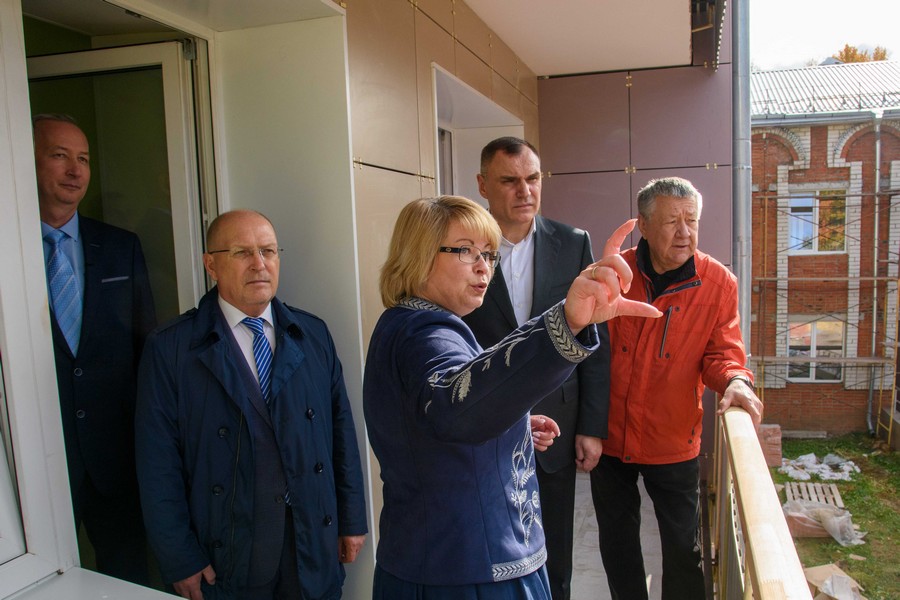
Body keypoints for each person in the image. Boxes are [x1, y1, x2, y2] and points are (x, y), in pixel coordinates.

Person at [364, 195, 660, 599]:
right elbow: (457, 409)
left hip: (441, 561)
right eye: (465, 251)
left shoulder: (410, 323)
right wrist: (568, 321)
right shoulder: (425, 334)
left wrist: (513, 427)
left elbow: (434, 423)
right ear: (419, 254)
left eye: (489, 254)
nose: (483, 266)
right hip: (465, 574)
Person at [135, 210, 368, 599]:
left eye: (268, 251)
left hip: (310, 542)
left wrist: (352, 518)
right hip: (227, 552)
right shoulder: (171, 349)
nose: (259, 264)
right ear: (211, 265)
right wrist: (179, 556)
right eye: (242, 252)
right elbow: (157, 463)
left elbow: (342, 431)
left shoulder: (312, 334)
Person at [590, 177, 763, 600]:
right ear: (644, 226)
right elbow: (587, 353)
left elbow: (723, 353)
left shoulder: (718, 283)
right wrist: (585, 426)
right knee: (617, 542)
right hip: (610, 437)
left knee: (685, 551)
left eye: (692, 220)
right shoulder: (614, 272)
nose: (685, 232)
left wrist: (736, 381)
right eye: (672, 222)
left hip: (673, 440)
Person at [462, 137, 610, 600]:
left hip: (556, 427)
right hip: (487, 429)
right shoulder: (462, 248)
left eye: (533, 178)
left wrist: (591, 427)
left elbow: (595, 342)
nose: (524, 191)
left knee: (555, 556)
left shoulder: (573, 243)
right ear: (483, 184)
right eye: (510, 180)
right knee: (494, 554)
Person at [33, 113, 156, 585]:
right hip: (40, 459)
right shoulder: (9, 248)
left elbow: (146, 350)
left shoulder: (121, 247)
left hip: (116, 458)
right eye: (59, 155)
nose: (75, 170)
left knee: (127, 577)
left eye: (83, 159)